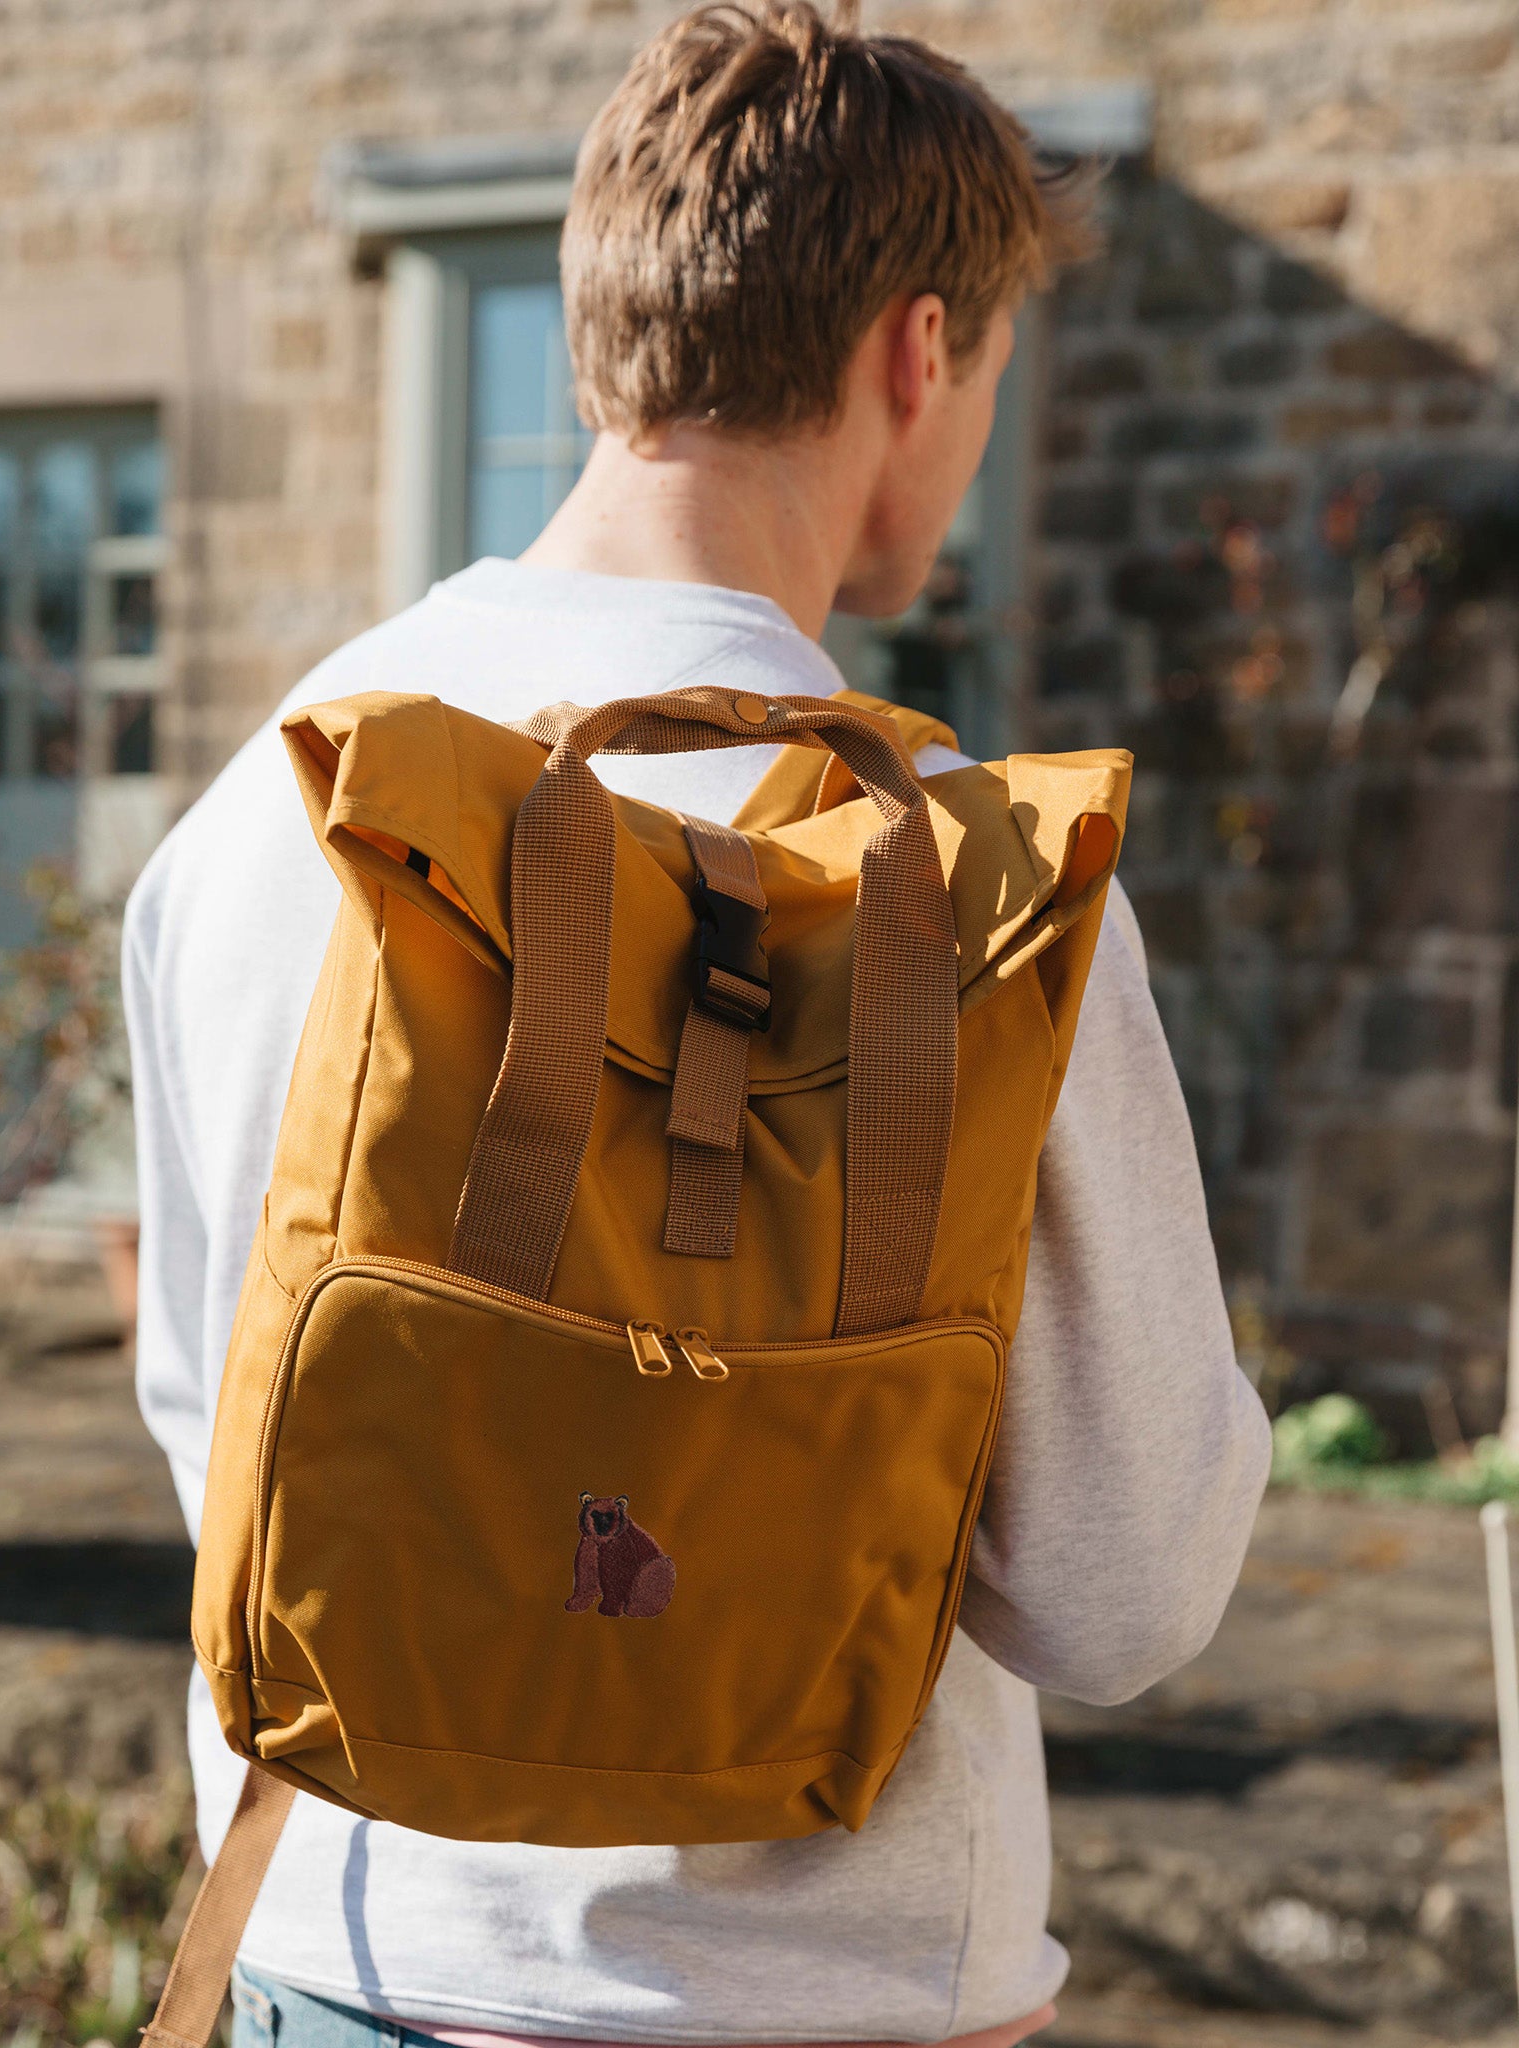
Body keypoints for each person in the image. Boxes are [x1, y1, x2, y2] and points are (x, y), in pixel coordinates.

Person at [122, 6, 1272, 2044]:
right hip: (795, 1994)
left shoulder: (276, 804)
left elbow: (225, 1429)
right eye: (987, 369)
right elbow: (1118, 1592)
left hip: (333, 1954)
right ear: (916, 352)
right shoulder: (964, 885)